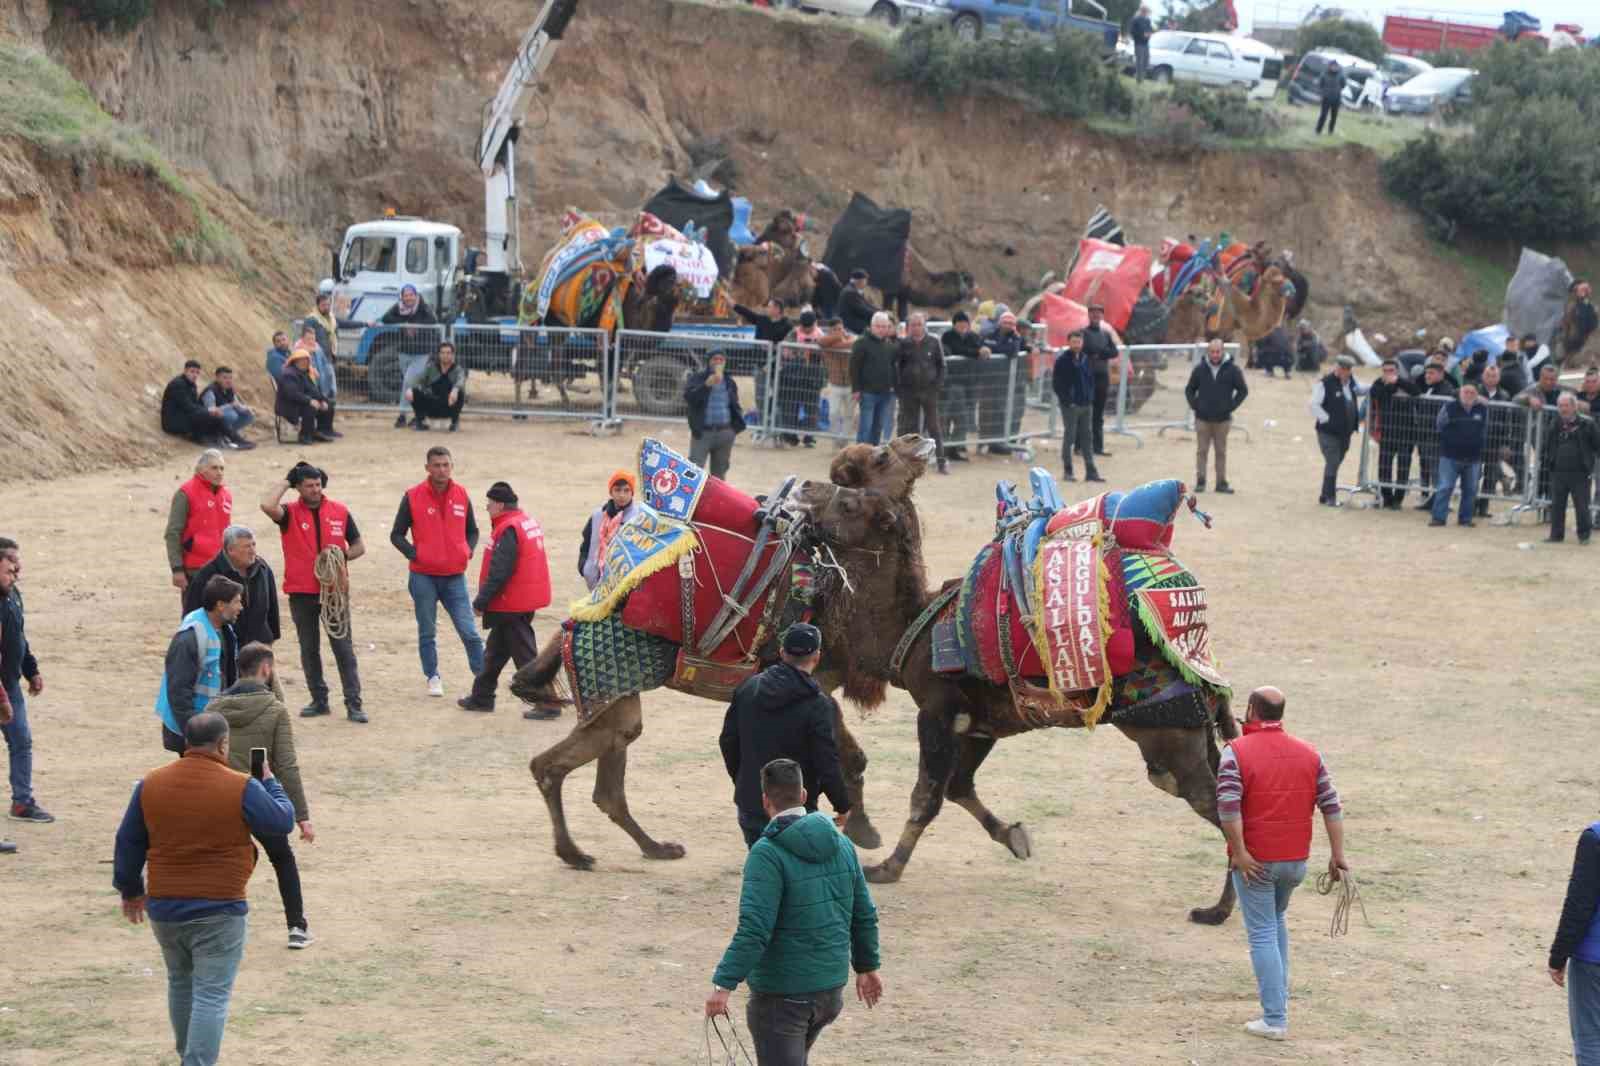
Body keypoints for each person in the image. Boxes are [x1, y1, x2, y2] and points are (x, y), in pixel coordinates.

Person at [113, 711, 296, 1066]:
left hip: (165, 906)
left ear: (186, 743)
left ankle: (188, 1055)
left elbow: (129, 840)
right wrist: (271, 782)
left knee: (180, 982)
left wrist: (130, 889)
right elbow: (281, 821)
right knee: (211, 994)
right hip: (219, 907)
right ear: (223, 744)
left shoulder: (151, 783)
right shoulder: (240, 785)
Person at [705, 757, 882, 1066]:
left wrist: (723, 985)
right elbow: (863, 912)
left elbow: (755, 930)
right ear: (803, 796)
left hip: (783, 996)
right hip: (829, 991)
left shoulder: (766, 854)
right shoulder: (842, 845)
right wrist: (866, 967)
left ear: (764, 800)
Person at [1216, 686, 1347, 1042]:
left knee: (1261, 933)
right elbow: (1331, 806)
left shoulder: (1235, 753)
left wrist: (1240, 853)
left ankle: (1274, 1018)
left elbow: (1228, 807)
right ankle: (1279, 1005)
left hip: (1256, 862)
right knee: (1275, 923)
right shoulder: (1309, 753)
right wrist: (1338, 856)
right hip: (1295, 862)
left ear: (1252, 711)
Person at [207, 642, 316, 949]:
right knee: (282, 858)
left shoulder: (213, 708)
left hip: (220, 796)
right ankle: (297, 926)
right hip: (256, 794)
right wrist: (302, 816)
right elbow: (285, 765)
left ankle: (217, 924)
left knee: (223, 860)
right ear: (266, 669)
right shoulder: (274, 711)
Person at [719, 624, 850, 848]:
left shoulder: (748, 688)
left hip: (752, 803)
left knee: (764, 869)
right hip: (796, 810)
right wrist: (843, 805)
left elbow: (728, 741)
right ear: (816, 657)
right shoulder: (818, 705)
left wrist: (745, 781)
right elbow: (826, 761)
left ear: (781, 653)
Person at [261, 463, 367, 723]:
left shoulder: (340, 511)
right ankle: (319, 700)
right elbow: (267, 505)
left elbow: (359, 546)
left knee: (343, 647)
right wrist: (287, 480)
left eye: (318, 484)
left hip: (334, 593)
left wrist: (341, 556)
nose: (315, 490)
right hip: (302, 591)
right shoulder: (289, 514)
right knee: (309, 648)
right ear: (298, 488)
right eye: (309, 485)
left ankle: (354, 703)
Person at [390, 446, 483, 697]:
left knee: (469, 631)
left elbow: (472, 530)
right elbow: (396, 535)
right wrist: (415, 554)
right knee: (427, 631)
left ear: (452, 466)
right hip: (423, 577)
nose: (442, 470)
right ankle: (432, 676)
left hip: (454, 577)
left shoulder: (462, 494)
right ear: (427, 468)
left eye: (446, 465)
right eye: (437, 465)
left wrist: (467, 550)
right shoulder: (412, 496)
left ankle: (484, 678)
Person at [459, 482, 555, 718]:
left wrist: (481, 601)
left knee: (526, 655)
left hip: (512, 602)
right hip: (522, 599)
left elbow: (500, 571)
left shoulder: (508, 528)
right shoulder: (524, 522)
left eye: (489, 504)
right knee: (494, 652)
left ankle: (548, 702)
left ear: (500, 505)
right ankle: (482, 696)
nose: (487, 508)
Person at [156, 575, 243, 753]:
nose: (240, 607)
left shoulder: (224, 630)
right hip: (194, 732)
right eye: (236, 602)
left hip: (210, 726)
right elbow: (179, 691)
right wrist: (195, 736)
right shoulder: (189, 639)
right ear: (220, 605)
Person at [0, 542, 51, 828]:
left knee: (21, 742)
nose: (17, 572)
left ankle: (22, 802)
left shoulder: (12, 595)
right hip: (2, 690)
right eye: (10, 567)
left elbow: (19, 637)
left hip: (9, 685)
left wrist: (31, 670)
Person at [1548, 816, 1600, 1065]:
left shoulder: (1595, 838)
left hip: (1593, 959)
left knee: (1591, 1039)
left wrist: (1558, 955)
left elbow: (1579, 904)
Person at [183, 526, 279, 648]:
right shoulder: (208, 574)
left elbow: (272, 606)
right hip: (225, 646)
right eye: (246, 547)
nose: (253, 551)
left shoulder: (263, 568)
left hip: (260, 644)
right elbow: (192, 612)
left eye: (253, 545)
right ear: (230, 550)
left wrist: (271, 636)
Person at [165, 449, 233, 611]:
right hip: (195, 570)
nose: (219, 473)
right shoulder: (186, 493)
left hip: (221, 568)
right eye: (214, 468)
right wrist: (177, 569)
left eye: (222, 468)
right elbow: (173, 533)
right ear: (201, 470)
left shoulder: (226, 495)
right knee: (195, 617)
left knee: (222, 618)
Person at [1185, 337, 1248, 493]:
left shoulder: (1233, 370)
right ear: (1208, 352)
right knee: (1202, 451)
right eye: (1212, 351)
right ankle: (1201, 481)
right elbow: (1189, 390)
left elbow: (1243, 390)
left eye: (1218, 351)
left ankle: (1221, 483)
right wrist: (1196, 406)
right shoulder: (1199, 369)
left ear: (1223, 351)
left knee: (1221, 452)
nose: (1215, 355)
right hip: (1202, 419)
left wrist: (1231, 406)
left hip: (1222, 420)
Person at [1540, 392, 1600, 545]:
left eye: (1566, 405)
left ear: (1574, 407)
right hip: (1558, 471)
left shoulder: (1588, 424)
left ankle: (1584, 536)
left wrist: (1590, 465)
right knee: (1557, 505)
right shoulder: (1555, 423)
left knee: (1582, 506)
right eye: (1560, 406)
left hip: (1580, 472)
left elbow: (1597, 445)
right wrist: (1549, 461)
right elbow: (1547, 444)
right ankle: (1556, 535)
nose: (1563, 409)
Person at [1429, 382, 1488, 528]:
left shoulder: (1482, 409)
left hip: (1473, 457)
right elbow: (1439, 425)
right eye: (1466, 392)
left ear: (1477, 395)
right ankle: (1438, 518)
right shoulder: (1449, 407)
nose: (1468, 395)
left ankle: (1465, 519)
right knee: (1445, 487)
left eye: (1472, 393)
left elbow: (1485, 429)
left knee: (1471, 489)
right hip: (1450, 456)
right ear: (1460, 393)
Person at [894, 313, 947, 474]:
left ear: (924, 325)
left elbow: (942, 366)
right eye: (913, 324)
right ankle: (905, 463)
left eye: (919, 324)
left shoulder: (933, 341)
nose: (916, 327)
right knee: (908, 427)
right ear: (908, 327)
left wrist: (937, 386)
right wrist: (899, 389)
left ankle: (941, 462)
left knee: (933, 427)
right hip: (909, 392)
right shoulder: (904, 344)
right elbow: (898, 367)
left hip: (929, 391)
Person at [1309, 355, 1364, 507]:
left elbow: (1360, 390)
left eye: (1348, 370)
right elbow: (1314, 404)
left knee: (1336, 461)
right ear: (1338, 368)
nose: (1346, 372)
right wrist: (1327, 420)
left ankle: (1324, 494)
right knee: (1332, 461)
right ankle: (1329, 497)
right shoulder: (1325, 383)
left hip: (1345, 433)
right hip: (1328, 432)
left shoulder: (1350, 383)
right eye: (1343, 369)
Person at [381, 284, 439, 428]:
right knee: (412, 385)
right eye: (406, 295)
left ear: (415, 295)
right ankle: (419, 416)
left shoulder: (423, 306)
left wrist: (414, 324)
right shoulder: (398, 307)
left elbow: (433, 320)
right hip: (404, 351)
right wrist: (403, 323)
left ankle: (402, 414)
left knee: (408, 381)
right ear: (402, 296)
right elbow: (385, 318)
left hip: (421, 352)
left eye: (411, 295)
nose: (408, 298)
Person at [1368, 357, 1421, 509]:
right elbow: (1377, 394)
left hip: (1407, 434)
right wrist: (1390, 386)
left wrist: (1397, 382)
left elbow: (1416, 391)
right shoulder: (1378, 383)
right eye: (1385, 371)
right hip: (1387, 434)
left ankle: (1398, 499)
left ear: (1397, 371)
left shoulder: (1405, 382)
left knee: (1403, 468)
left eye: (1391, 371)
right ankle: (1387, 498)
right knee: (1384, 468)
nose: (1388, 373)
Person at [684, 351, 746, 479]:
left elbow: (735, 405)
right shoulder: (698, 378)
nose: (718, 362)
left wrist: (733, 429)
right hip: (703, 434)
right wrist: (706, 385)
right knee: (694, 472)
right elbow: (689, 398)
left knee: (719, 476)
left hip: (725, 433)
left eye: (721, 360)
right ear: (709, 361)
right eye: (715, 359)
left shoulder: (729, 382)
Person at [1051, 330, 1102, 483]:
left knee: (1087, 438)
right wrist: (1068, 401)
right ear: (1068, 342)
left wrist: (1090, 398)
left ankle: (1091, 471)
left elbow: (1090, 380)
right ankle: (1068, 470)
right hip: (1071, 406)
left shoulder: (1085, 358)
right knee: (1070, 437)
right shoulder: (1062, 360)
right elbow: (1057, 384)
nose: (1077, 345)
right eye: (1074, 342)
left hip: (1086, 404)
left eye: (1079, 342)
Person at [578, 470, 639, 591]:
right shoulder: (597, 516)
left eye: (626, 490)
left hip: (628, 586)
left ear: (632, 493)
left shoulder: (639, 518)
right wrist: (584, 568)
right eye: (617, 490)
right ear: (611, 492)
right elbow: (586, 545)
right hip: (596, 583)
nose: (622, 495)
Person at [1411, 357, 1457, 510]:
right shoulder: (1430, 388)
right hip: (1426, 436)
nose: (1427, 376)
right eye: (1426, 373)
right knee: (1434, 471)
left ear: (1441, 374)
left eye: (1431, 373)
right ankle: (1435, 500)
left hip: (1435, 438)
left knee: (1439, 472)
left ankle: (1441, 503)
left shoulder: (1445, 390)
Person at [850, 312, 899, 446]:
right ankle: (860, 458)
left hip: (885, 393)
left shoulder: (889, 345)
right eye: (879, 326)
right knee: (865, 427)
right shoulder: (861, 343)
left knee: (877, 428)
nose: (882, 329)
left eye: (885, 326)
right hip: (867, 392)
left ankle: (873, 456)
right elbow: (854, 367)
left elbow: (893, 365)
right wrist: (856, 389)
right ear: (872, 326)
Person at [940, 311, 983, 461]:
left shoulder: (973, 337)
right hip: (949, 383)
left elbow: (980, 348)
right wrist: (976, 352)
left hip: (968, 384)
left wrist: (980, 351)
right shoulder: (947, 336)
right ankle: (942, 448)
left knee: (962, 419)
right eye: (960, 324)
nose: (964, 327)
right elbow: (955, 349)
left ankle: (955, 447)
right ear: (955, 324)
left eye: (966, 324)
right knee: (944, 417)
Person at [161, 360, 230, 446]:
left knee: (213, 415)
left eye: (197, 373)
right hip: (172, 422)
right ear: (185, 371)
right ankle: (201, 438)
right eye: (192, 371)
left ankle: (222, 438)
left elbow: (195, 405)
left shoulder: (192, 385)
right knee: (206, 415)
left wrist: (210, 411)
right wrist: (208, 411)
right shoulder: (178, 384)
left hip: (183, 417)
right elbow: (188, 407)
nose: (195, 375)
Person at [275, 349, 335, 446]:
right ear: (295, 361)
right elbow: (292, 394)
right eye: (302, 360)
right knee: (310, 408)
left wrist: (322, 400)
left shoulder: (304, 373)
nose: (306, 363)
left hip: (300, 401)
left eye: (307, 360)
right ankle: (305, 435)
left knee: (329, 404)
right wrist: (309, 401)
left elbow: (313, 390)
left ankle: (323, 431)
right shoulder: (289, 374)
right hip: (288, 406)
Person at [1081, 302, 1118, 456]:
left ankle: (1098, 447)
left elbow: (1113, 351)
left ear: (1102, 316)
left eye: (1098, 313)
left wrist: (1100, 353)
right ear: (1088, 315)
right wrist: (1100, 352)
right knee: (1083, 413)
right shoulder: (1082, 333)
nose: (1096, 315)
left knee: (1098, 414)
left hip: (1102, 376)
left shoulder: (1105, 334)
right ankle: (1080, 446)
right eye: (1093, 312)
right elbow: (1086, 348)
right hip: (1086, 376)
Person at [406, 340, 467, 432]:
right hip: (432, 405)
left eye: (448, 353)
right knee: (413, 392)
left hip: (449, 405)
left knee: (461, 393)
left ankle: (454, 423)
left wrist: (455, 390)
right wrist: (410, 389)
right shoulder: (431, 368)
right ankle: (420, 421)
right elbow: (417, 380)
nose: (445, 355)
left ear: (453, 354)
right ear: (438, 354)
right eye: (442, 353)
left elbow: (461, 381)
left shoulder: (458, 369)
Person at [816, 318, 857, 444]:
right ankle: (835, 438)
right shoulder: (825, 340)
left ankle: (844, 439)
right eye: (836, 330)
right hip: (835, 383)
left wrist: (839, 339)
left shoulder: (849, 339)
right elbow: (821, 342)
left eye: (841, 329)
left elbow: (854, 342)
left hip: (851, 384)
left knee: (849, 415)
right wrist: (839, 337)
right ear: (830, 330)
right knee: (833, 414)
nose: (839, 332)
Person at [198, 367, 256, 450]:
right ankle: (218, 437)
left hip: (222, 420)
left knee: (248, 415)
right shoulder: (210, 391)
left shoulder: (229, 389)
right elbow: (210, 411)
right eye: (225, 378)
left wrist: (247, 408)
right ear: (217, 378)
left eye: (230, 378)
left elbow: (236, 404)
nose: (228, 380)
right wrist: (230, 406)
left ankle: (228, 435)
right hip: (207, 424)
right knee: (232, 415)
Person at [1562, 279, 1598, 367]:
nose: (1583, 292)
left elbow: (1592, 325)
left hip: (1592, 348)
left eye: (1585, 289)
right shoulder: (1571, 308)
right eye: (1579, 290)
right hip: (1576, 351)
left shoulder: (1592, 306)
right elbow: (1581, 325)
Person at [837, 269, 877, 336]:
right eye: (865, 280)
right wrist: (878, 313)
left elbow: (866, 305)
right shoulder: (850, 292)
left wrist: (879, 311)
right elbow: (862, 309)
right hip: (851, 323)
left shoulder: (853, 290)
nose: (866, 282)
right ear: (860, 281)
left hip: (855, 319)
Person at [1316, 60, 1345, 136]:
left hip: (1336, 98)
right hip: (1326, 98)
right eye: (1333, 66)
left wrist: (1337, 90)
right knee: (1323, 115)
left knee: (1334, 116)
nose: (1334, 68)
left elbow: (1343, 85)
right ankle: (1318, 131)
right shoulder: (1324, 74)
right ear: (1329, 66)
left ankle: (1330, 131)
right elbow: (1320, 85)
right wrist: (1322, 94)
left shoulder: (1340, 75)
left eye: (1336, 66)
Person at [1130, 4, 1154, 82]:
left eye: (1146, 11)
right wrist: (1142, 34)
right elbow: (1132, 32)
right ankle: (1139, 79)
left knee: (1146, 61)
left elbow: (1150, 29)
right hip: (1138, 43)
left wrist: (1149, 34)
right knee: (1139, 61)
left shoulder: (1147, 20)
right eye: (1144, 11)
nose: (1146, 12)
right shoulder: (1135, 19)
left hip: (1146, 43)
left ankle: (1141, 76)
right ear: (1141, 11)